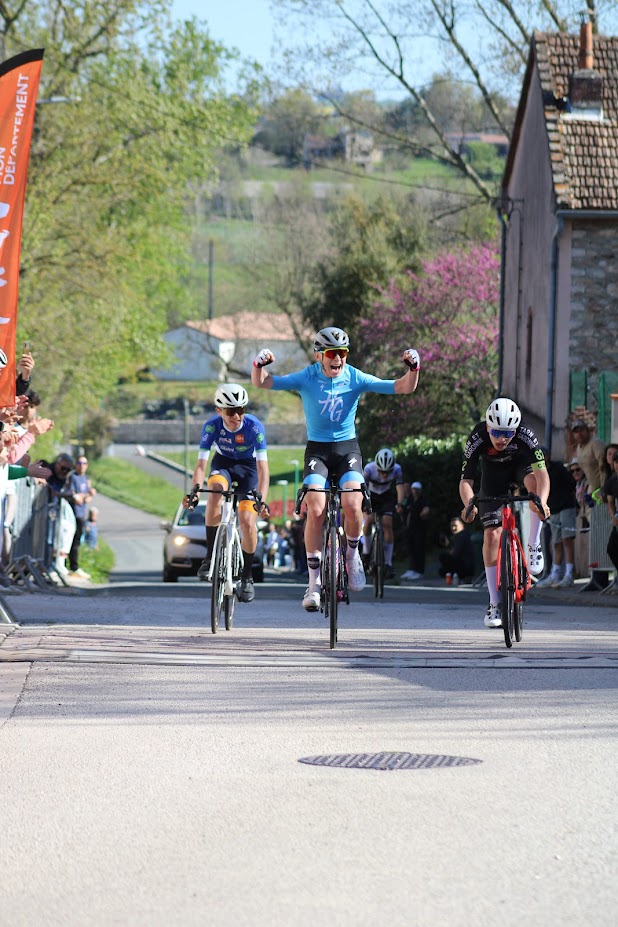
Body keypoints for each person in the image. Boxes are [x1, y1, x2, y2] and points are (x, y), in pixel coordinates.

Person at [251, 327, 420, 611]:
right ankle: (314, 583)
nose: (338, 359)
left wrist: (414, 369)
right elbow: (263, 383)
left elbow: (402, 387)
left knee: (353, 504)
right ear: (319, 355)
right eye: (332, 353)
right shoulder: (307, 376)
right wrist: (258, 366)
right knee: (315, 507)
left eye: (342, 353)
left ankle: (352, 556)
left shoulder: (354, 376)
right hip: (317, 450)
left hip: (347, 450)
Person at [460, 398, 550, 629]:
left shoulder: (526, 435)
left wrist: (543, 501)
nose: (502, 438)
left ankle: (533, 544)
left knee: (534, 491)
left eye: (508, 433)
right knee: (491, 535)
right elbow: (466, 480)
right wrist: (470, 504)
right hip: (493, 479)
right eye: (498, 432)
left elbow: (543, 475)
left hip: (520, 468)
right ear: (489, 427)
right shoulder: (477, 436)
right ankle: (494, 603)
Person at [185, 383, 269, 604]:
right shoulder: (211, 427)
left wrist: (262, 498)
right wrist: (194, 490)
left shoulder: (254, 427)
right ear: (219, 410)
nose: (237, 416)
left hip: (249, 469)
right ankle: (209, 557)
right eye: (231, 411)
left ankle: (247, 577)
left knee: (247, 520)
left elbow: (263, 469)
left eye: (241, 409)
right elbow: (201, 465)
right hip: (223, 465)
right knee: (214, 492)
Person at [535, 449, 577, 588]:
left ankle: (570, 574)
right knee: (556, 542)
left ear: (547, 456)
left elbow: (571, 483)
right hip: (553, 510)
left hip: (566, 506)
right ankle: (555, 574)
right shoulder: (537, 473)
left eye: (543, 455)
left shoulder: (558, 468)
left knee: (567, 539)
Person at [362, 448, 405, 579]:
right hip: (371, 496)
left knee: (387, 524)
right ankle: (366, 553)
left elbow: (399, 487)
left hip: (386, 496)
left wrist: (399, 503)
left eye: (388, 472)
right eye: (382, 472)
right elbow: (362, 489)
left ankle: (388, 563)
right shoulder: (369, 469)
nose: (385, 475)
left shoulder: (397, 469)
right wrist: (363, 504)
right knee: (368, 521)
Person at [67, 454, 97, 579]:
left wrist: (90, 494)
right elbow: (76, 498)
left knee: (78, 540)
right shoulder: (73, 477)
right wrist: (85, 495)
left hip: (82, 513)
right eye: (79, 463)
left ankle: (75, 566)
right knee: (72, 540)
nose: (82, 466)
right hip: (73, 513)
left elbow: (87, 499)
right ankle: (71, 566)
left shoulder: (86, 478)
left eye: (84, 463)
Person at [401, 480, 431, 581]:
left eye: (416, 490)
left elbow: (427, 509)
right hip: (409, 528)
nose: (414, 491)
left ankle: (419, 571)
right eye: (413, 489)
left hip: (419, 529)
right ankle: (411, 569)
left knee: (419, 549)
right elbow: (403, 507)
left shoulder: (423, 500)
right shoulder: (409, 499)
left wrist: (425, 511)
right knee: (410, 549)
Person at [600, 450, 618, 593]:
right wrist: (613, 518)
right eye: (616, 462)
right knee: (611, 549)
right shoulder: (613, 480)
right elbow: (610, 502)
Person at [438, 516, 475, 581]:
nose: (453, 528)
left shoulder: (461, 536)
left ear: (462, 525)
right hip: (467, 567)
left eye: (455, 526)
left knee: (443, 557)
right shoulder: (463, 535)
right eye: (451, 526)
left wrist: (448, 546)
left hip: (465, 568)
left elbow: (455, 554)